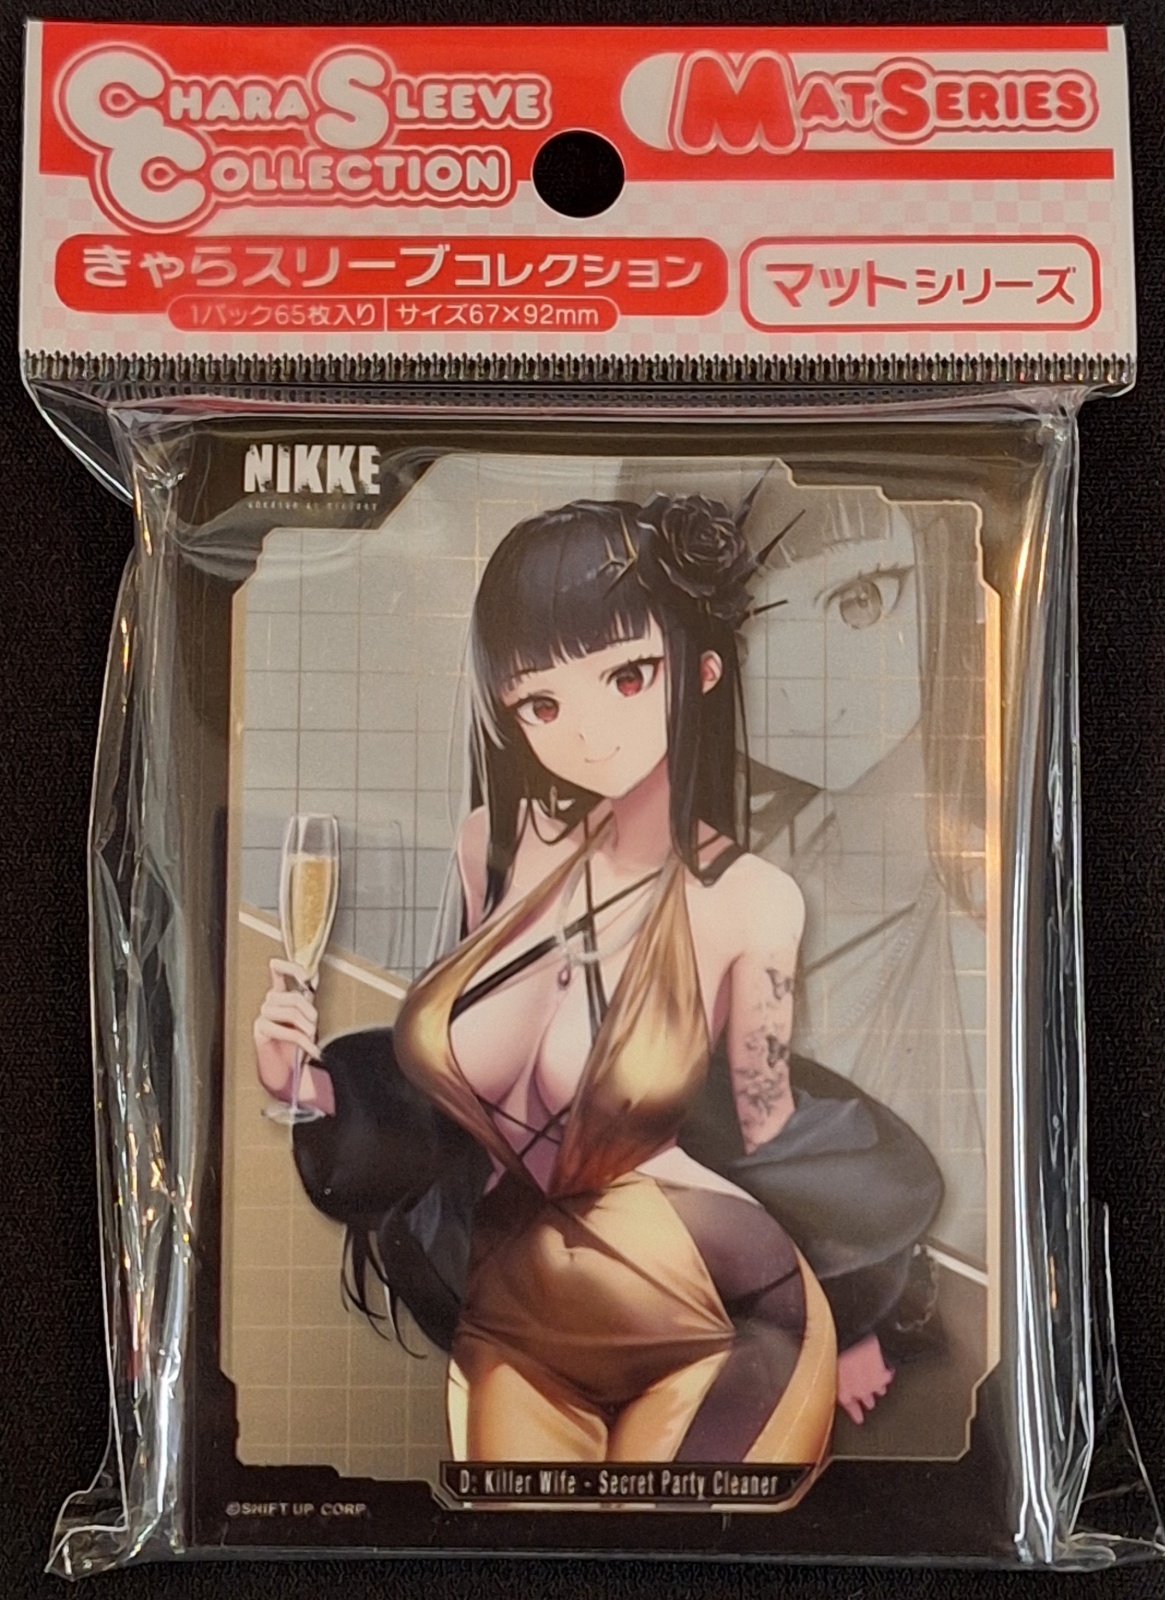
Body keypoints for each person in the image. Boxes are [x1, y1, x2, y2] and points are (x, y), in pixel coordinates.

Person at [254, 491, 941, 1463]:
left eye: (627, 676)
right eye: (541, 702)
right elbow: (448, 1091)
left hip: (727, 1315)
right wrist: (304, 1084)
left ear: (700, 671)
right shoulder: (489, 848)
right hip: (518, 1322)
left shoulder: (748, 900)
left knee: (673, 1536)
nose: (585, 732)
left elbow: (772, 1130)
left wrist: (863, 1309)